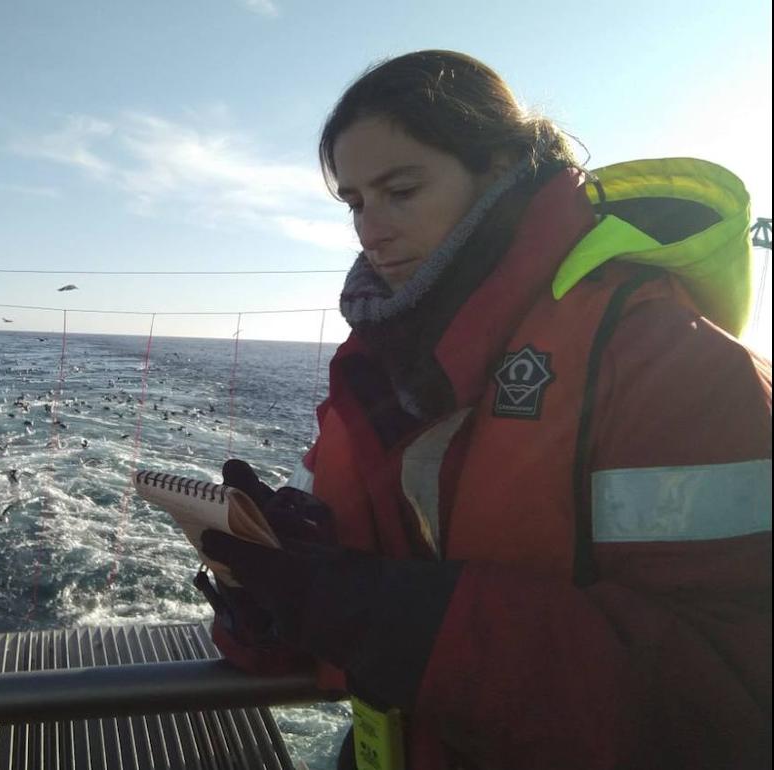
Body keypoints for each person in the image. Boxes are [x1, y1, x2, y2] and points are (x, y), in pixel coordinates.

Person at [199, 50, 771, 770]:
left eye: (400, 190)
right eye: (354, 202)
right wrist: (275, 604)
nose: (369, 230)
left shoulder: (675, 363)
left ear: (498, 167)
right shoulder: (384, 366)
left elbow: (724, 699)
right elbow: (355, 610)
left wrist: (376, 615)